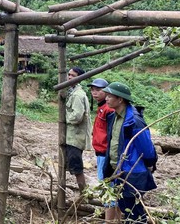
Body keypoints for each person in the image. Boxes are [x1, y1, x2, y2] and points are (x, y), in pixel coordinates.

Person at [102, 82, 157, 223]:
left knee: (134, 213)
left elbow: (147, 149)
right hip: (118, 171)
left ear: (120, 99)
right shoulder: (114, 117)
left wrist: (150, 163)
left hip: (132, 173)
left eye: (109, 96)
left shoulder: (134, 121)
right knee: (124, 207)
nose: (106, 98)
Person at [87, 78, 121, 221]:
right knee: (112, 187)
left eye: (98, 90)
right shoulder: (101, 108)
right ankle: (115, 220)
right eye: (93, 90)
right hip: (101, 153)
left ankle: (109, 221)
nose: (95, 93)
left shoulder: (108, 110)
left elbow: (112, 135)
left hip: (105, 154)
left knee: (107, 188)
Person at [65, 67, 91, 192]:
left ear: (79, 78)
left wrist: (64, 117)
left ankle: (84, 193)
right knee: (71, 164)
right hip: (72, 137)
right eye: (69, 75)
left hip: (75, 138)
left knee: (76, 167)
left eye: (73, 75)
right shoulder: (73, 92)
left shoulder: (77, 95)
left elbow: (76, 116)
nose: (69, 77)